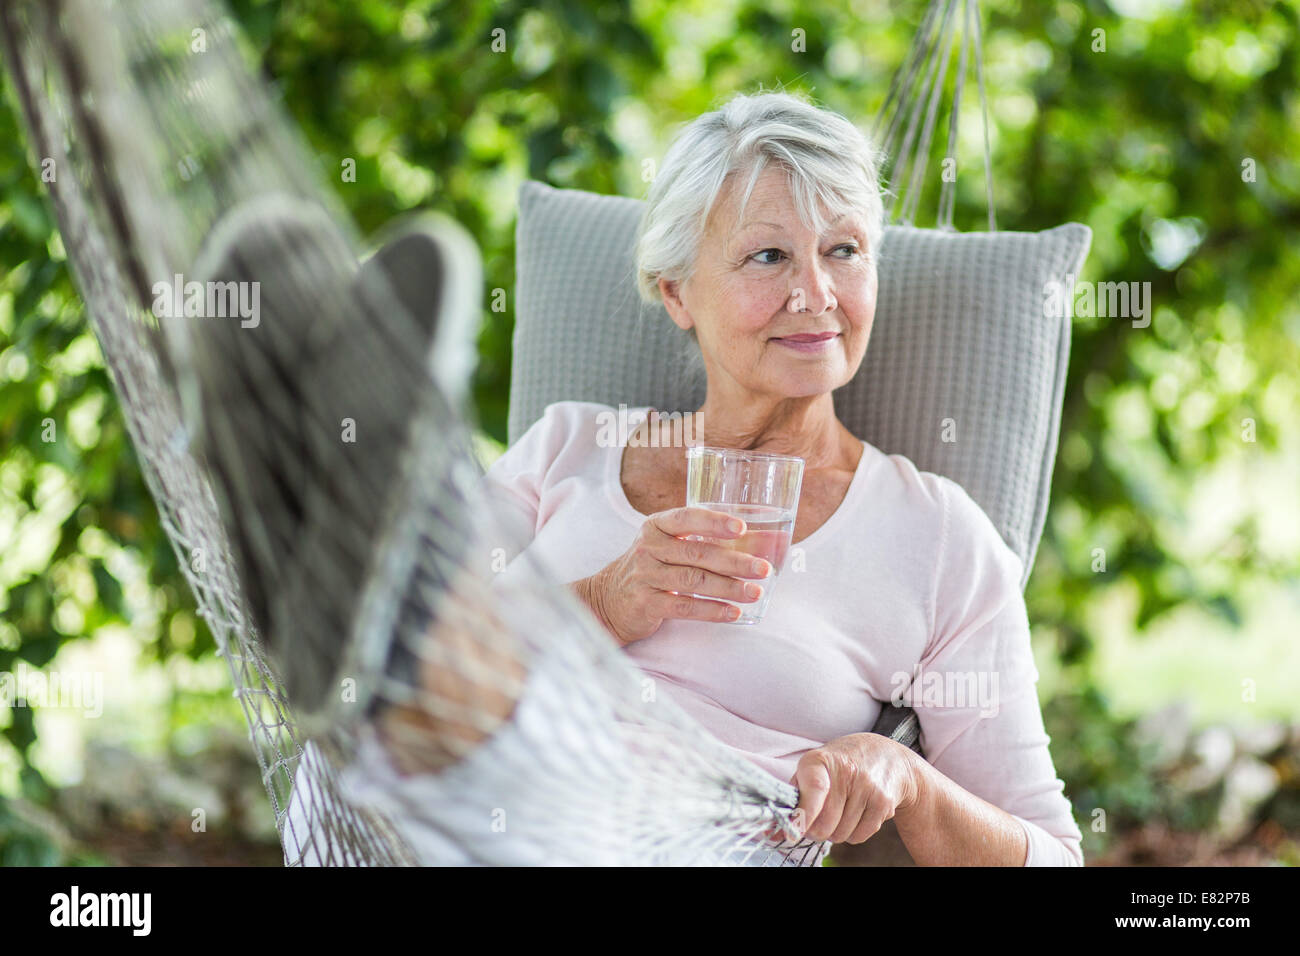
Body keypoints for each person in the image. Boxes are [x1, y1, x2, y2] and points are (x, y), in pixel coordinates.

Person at [484, 90, 1084, 866]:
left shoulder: (938, 539)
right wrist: (603, 603)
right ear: (676, 292)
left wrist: (907, 777)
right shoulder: (567, 446)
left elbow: (1054, 858)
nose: (816, 295)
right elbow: (400, 657)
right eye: (768, 255)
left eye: (844, 250)